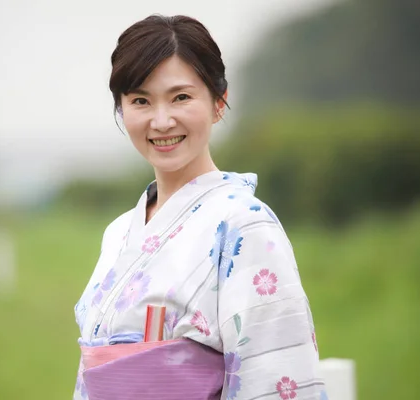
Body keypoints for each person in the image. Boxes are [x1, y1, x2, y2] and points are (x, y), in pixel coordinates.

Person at [73, 15, 326, 400]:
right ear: (122, 111)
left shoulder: (244, 224)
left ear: (219, 102)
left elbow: (275, 376)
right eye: (141, 100)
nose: (161, 120)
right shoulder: (118, 232)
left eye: (181, 97)